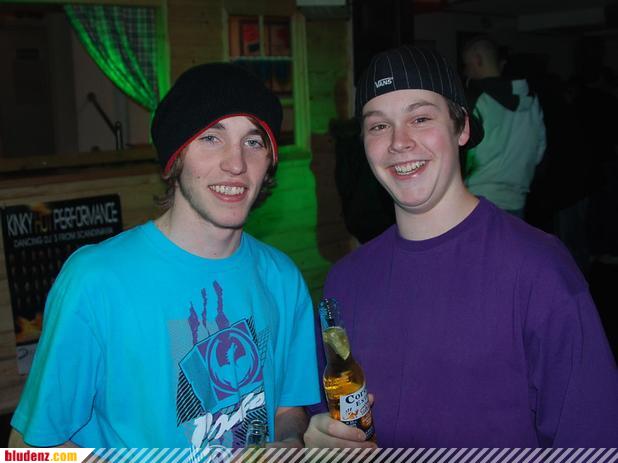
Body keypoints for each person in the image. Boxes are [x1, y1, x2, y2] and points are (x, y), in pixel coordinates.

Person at [303, 45, 618, 448]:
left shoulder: (538, 269)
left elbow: (593, 440)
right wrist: (321, 442)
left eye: (420, 118)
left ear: (462, 127)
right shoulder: (345, 281)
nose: (399, 142)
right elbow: (329, 413)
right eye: (378, 126)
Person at [10, 63, 320, 449]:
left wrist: (288, 443)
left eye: (254, 142)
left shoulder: (282, 277)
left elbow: (287, 407)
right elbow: (24, 450)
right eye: (211, 138)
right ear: (176, 158)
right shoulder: (96, 280)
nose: (236, 163)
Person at [461, 36, 546, 218]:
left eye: (467, 64)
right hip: (517, 199)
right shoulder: (531, 99)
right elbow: (539, 149)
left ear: (477, 60)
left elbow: (464, 149)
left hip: (478, 198)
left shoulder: (475, 98)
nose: (466, 71)